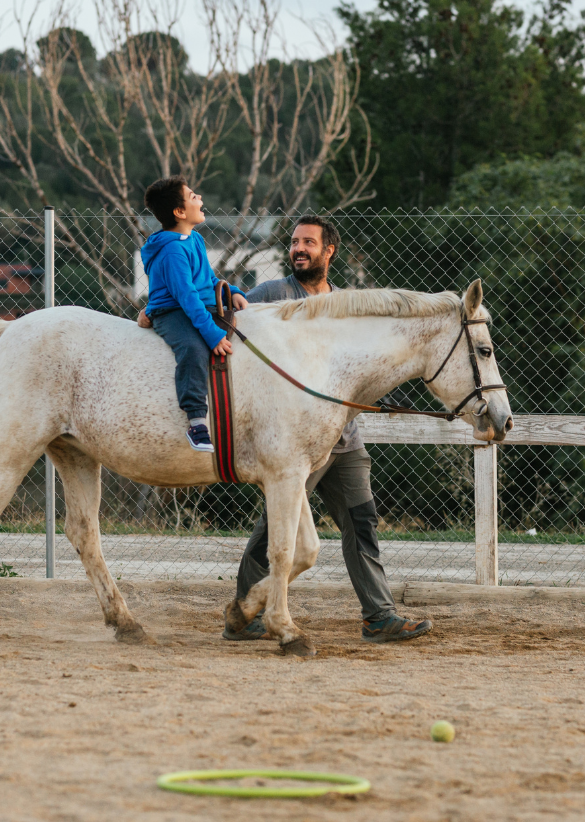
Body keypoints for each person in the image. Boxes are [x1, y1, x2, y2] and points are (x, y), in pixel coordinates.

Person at [224, 215, 433, 644]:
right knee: (274, 528)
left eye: (308, 243)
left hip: (344, 440)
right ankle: (246, 613)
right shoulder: (273, 294)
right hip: (294, 439)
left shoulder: (345, 306)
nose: (298, 249)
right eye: (295, 242)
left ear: (328, 250)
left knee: (362, 523)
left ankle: (379, 616)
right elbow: (238, 324)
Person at [140, 176, 247, 453]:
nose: (200, 199)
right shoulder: (173, 250)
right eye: (193, 196)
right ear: (179, 212)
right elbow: (186, 297)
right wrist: (211, 335)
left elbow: (208, 280)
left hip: (196, 305)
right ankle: (197, 421)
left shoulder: (194, 239)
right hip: (172, 311)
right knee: (193, 348)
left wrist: (231, 292)